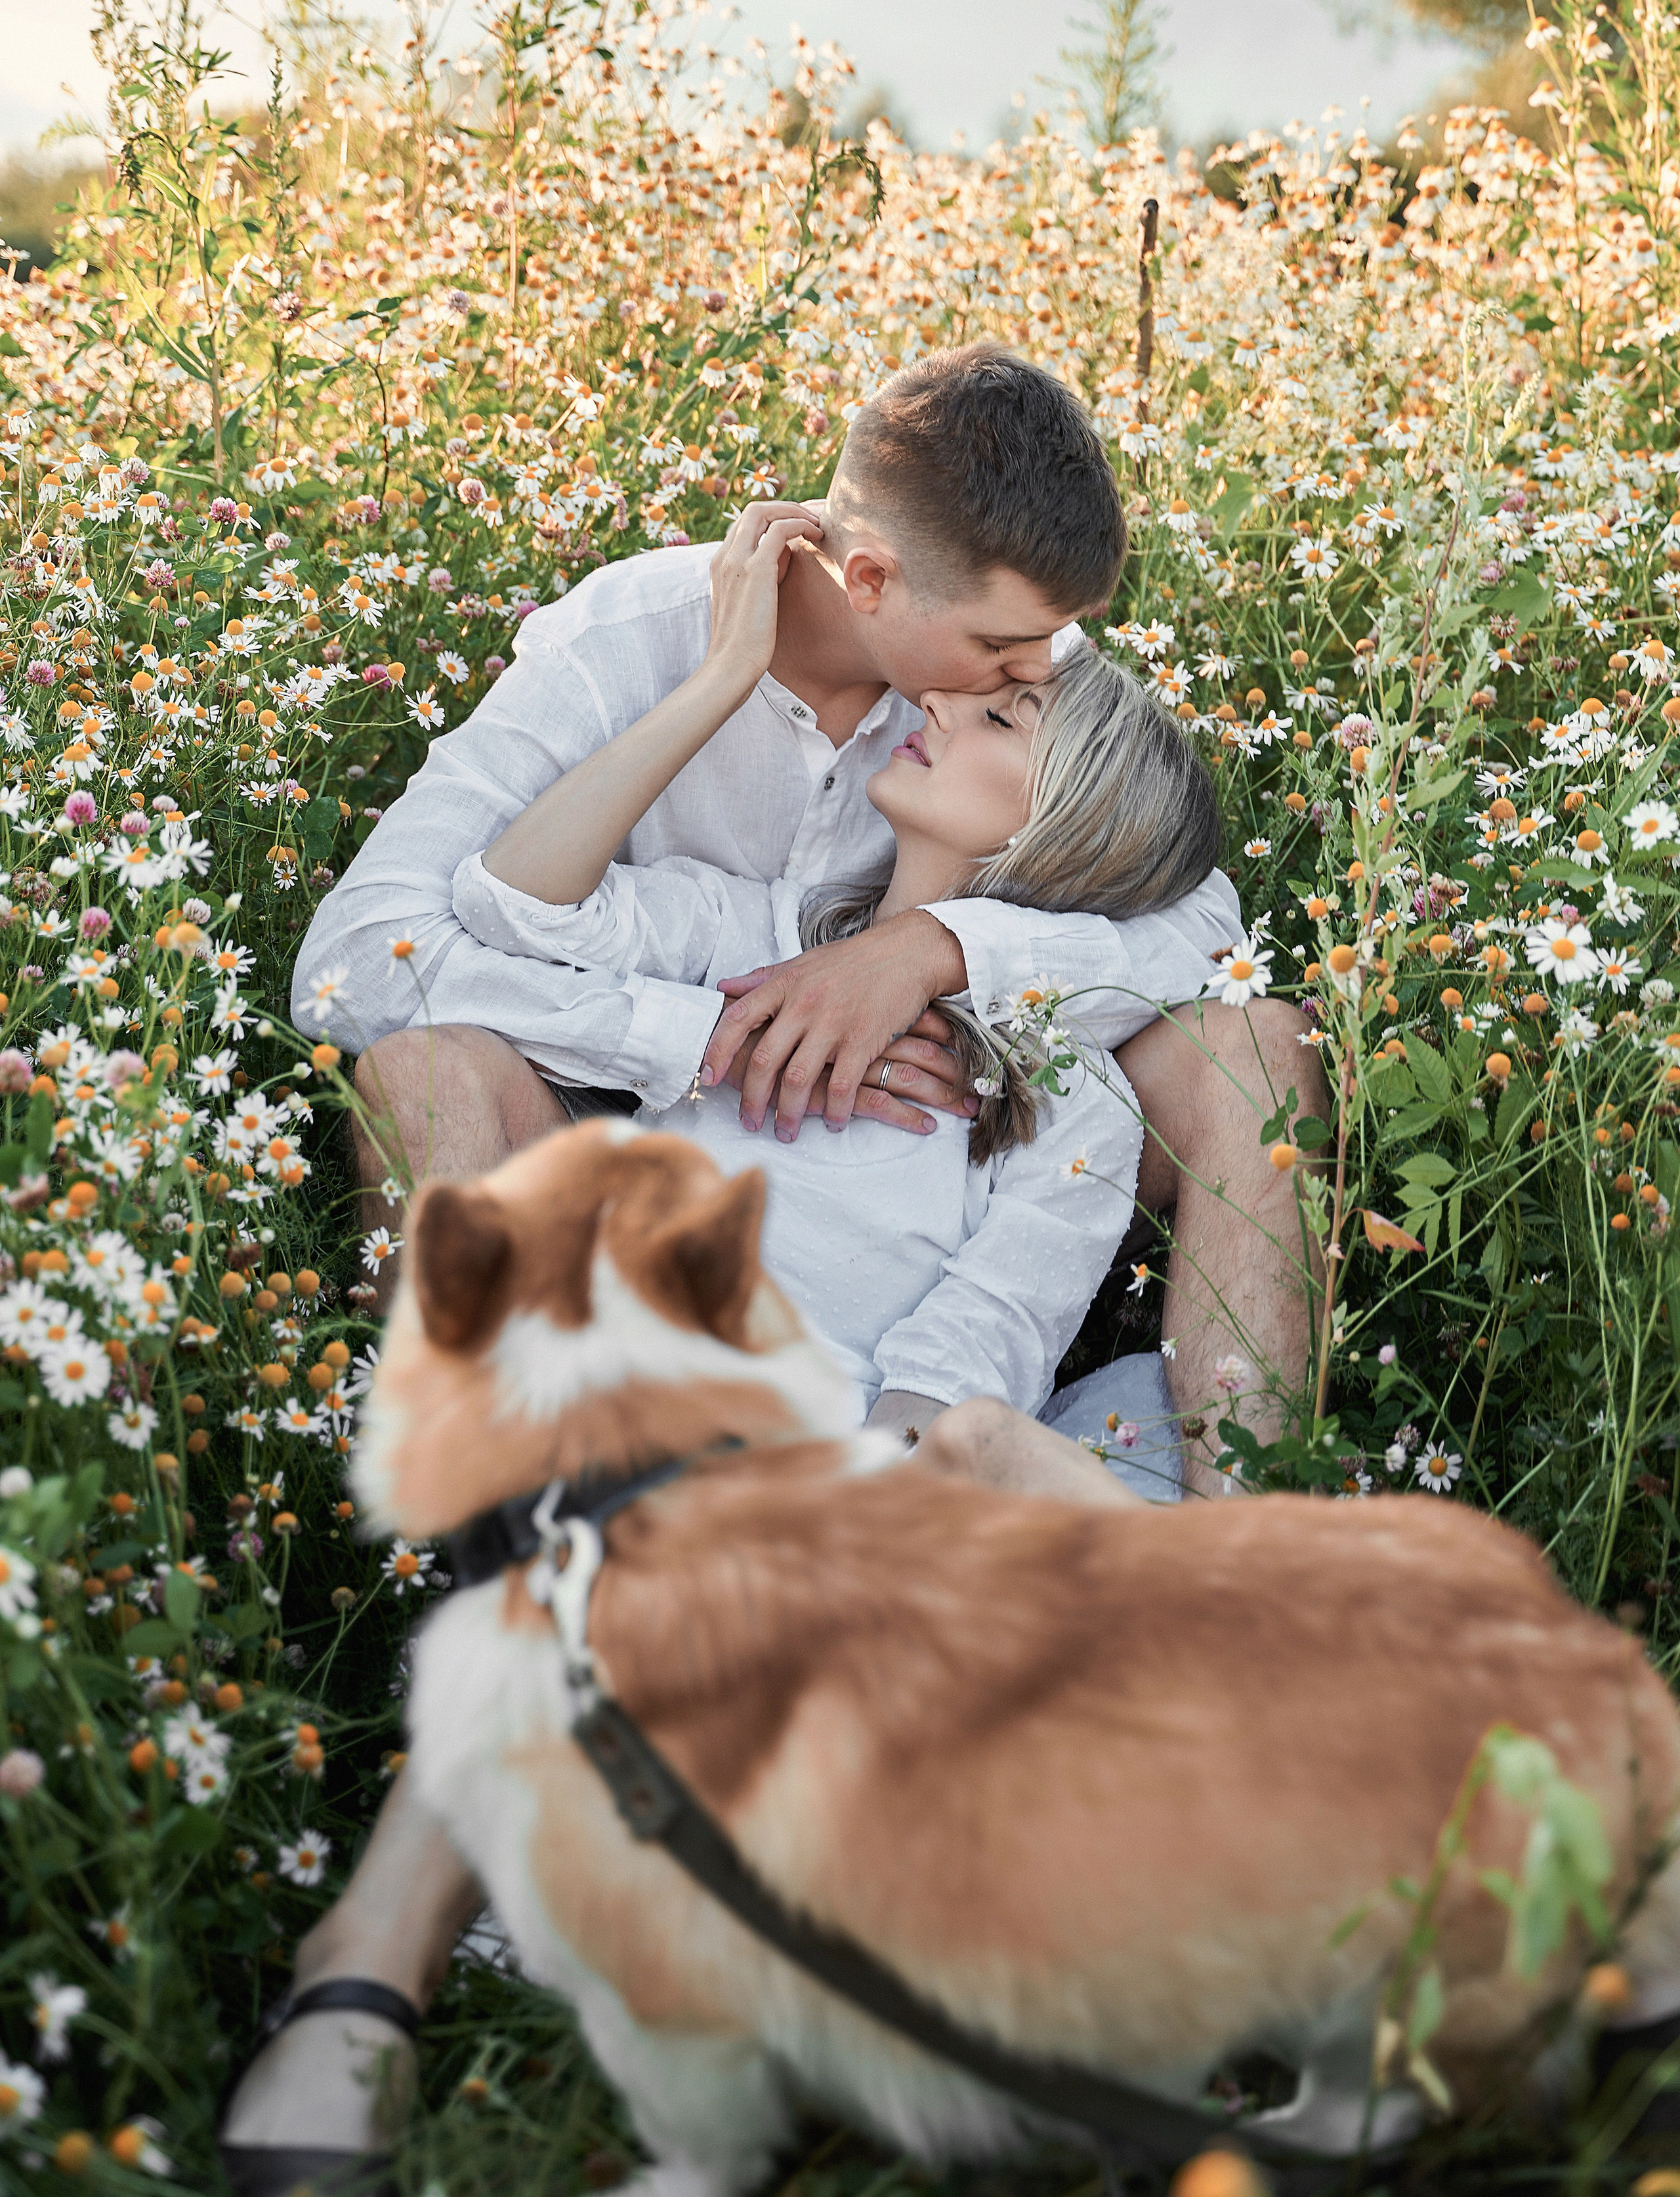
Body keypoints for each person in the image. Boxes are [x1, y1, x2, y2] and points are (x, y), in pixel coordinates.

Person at [223, 344, 1327, 2194]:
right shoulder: (648, 686)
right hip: (673, 1317)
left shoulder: (1021, 870)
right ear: (875, 587)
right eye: (1001, 670)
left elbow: (1181, 915)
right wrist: (704, 1016)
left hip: (870, 1422)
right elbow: (391, 956)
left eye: (1029, 696)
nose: (1022, 685)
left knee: (1211, 1110)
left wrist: (947, 959)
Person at [453, 506, 1221, 1470]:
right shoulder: (772, 929)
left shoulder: (1073, 1097)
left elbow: (977, 1347)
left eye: (997, 716)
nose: (935, 702)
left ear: (1060, 825)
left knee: (1114, 1417)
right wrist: (721, 681)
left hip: (839, 1468)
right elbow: (516, 904)